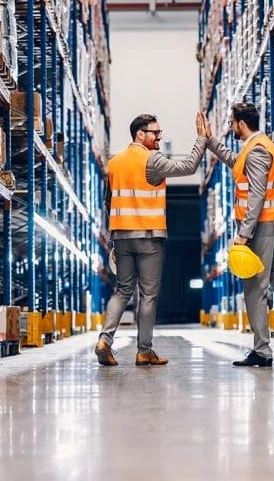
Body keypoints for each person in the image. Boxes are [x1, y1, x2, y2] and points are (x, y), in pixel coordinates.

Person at [202, 103, 274, 367]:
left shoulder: (256, 151)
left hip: (261, 228)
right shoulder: (260, 146)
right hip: (273, 223)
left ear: (242, 123)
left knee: (255, 289)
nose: (231, 127)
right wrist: (210, 141)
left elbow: (256, 194)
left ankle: (262, 351)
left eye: (232, 123)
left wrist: (244, 234)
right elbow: (236, 163)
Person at [96, 112, 209, 366]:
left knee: (122, 290)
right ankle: (144, 350)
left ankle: (105, 340)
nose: (160, 137)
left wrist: (115, 235)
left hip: (121, 237)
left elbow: (108, 202)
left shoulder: (114, 163)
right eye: (155, 133)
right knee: (148, 295)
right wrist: (201, 139)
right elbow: (188, 166)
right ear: (140, 134)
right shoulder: (152, 159)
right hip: (148, 237)